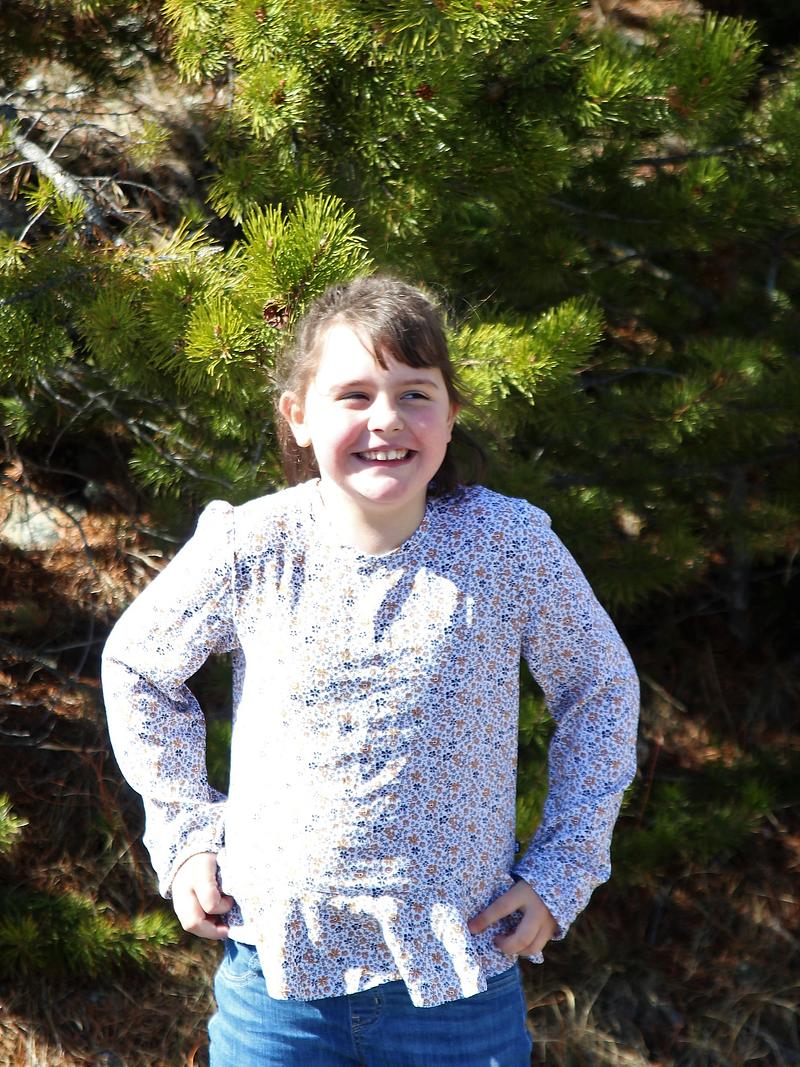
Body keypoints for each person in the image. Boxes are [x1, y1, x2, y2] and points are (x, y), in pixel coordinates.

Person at [102, 274, 639, 1067]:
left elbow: (601, 691)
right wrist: (184, 836)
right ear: (299, 414)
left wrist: (564, 867)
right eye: (353, 395)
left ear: (451, 415)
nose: (385, 419)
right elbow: (138, 666)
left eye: (415, 394)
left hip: (460, 987)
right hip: (278, 987)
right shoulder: (254, 545)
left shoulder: (510, 546)